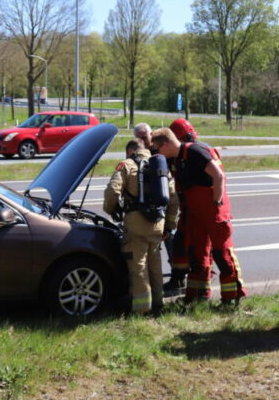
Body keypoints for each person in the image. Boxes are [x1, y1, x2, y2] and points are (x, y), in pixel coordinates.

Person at [151, 127, 246, 306]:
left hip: (213, 209)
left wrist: (216, 202)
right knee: (196, 254)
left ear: (167, 144)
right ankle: (197, 296)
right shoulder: (174, 159)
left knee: (221, 253)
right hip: (195, 211)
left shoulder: (195, 151)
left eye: (158, 148)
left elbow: (219, 176)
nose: (158, 153)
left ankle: (232, 299)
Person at [103, 139, 179, 315]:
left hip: (135, 224)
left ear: (130, 151)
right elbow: (173, 199)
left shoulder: (126, 165)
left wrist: (110, 209)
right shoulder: (160, 166)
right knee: (155, 265)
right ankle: (158, 304)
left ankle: (142, 309)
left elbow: (112, 191)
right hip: (158, 224)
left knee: (138, 267)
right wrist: (169, 226)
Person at [163, 118, 201, 293]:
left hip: (200, 209)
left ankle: (200, 286)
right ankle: (178, 279)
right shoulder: (174, 157)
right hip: (185, 207)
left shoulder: (197, 154)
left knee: (198, 248)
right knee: (179, 243)